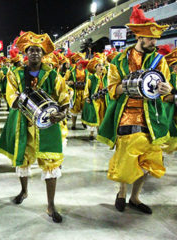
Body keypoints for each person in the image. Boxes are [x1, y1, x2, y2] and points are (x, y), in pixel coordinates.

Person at [98, 5, 171, 214]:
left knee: (147, 159)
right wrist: (132, 85)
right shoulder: (119, 61)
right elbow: (112, 88)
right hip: (127, 114)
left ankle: (135, 197)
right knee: (126, 158)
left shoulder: (159, 61)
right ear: (139, 37)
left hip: (152, 117)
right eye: (150, 39)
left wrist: (167, 89)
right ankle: (121, 192)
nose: (154, 43)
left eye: (156, 40)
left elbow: (166, 89)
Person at [0, 31, 70, 223]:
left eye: (38, 50)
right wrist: (23, 103)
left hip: (48, 125)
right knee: (23, 160)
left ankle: (51, 205)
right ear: (25, 53)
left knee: (51, 164)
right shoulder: (16, 74)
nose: (35, 53)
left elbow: (64, 98)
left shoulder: (52, 74)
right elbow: (11, 96)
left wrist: (62, 113)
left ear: (43, 53)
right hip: (23, 124)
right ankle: (24, 191)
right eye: (31, 50)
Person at [81, 55, 107, 140]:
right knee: (93, 117)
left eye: (102, 65)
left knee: (102, 117)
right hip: (94, 101)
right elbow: (87, 89)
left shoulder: (105, 77)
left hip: (103, 101)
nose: (101, 67)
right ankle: (91, 133)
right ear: (95, 68)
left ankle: (100, 133)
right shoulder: (91, 78)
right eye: (99, 65)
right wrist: (86, 97)